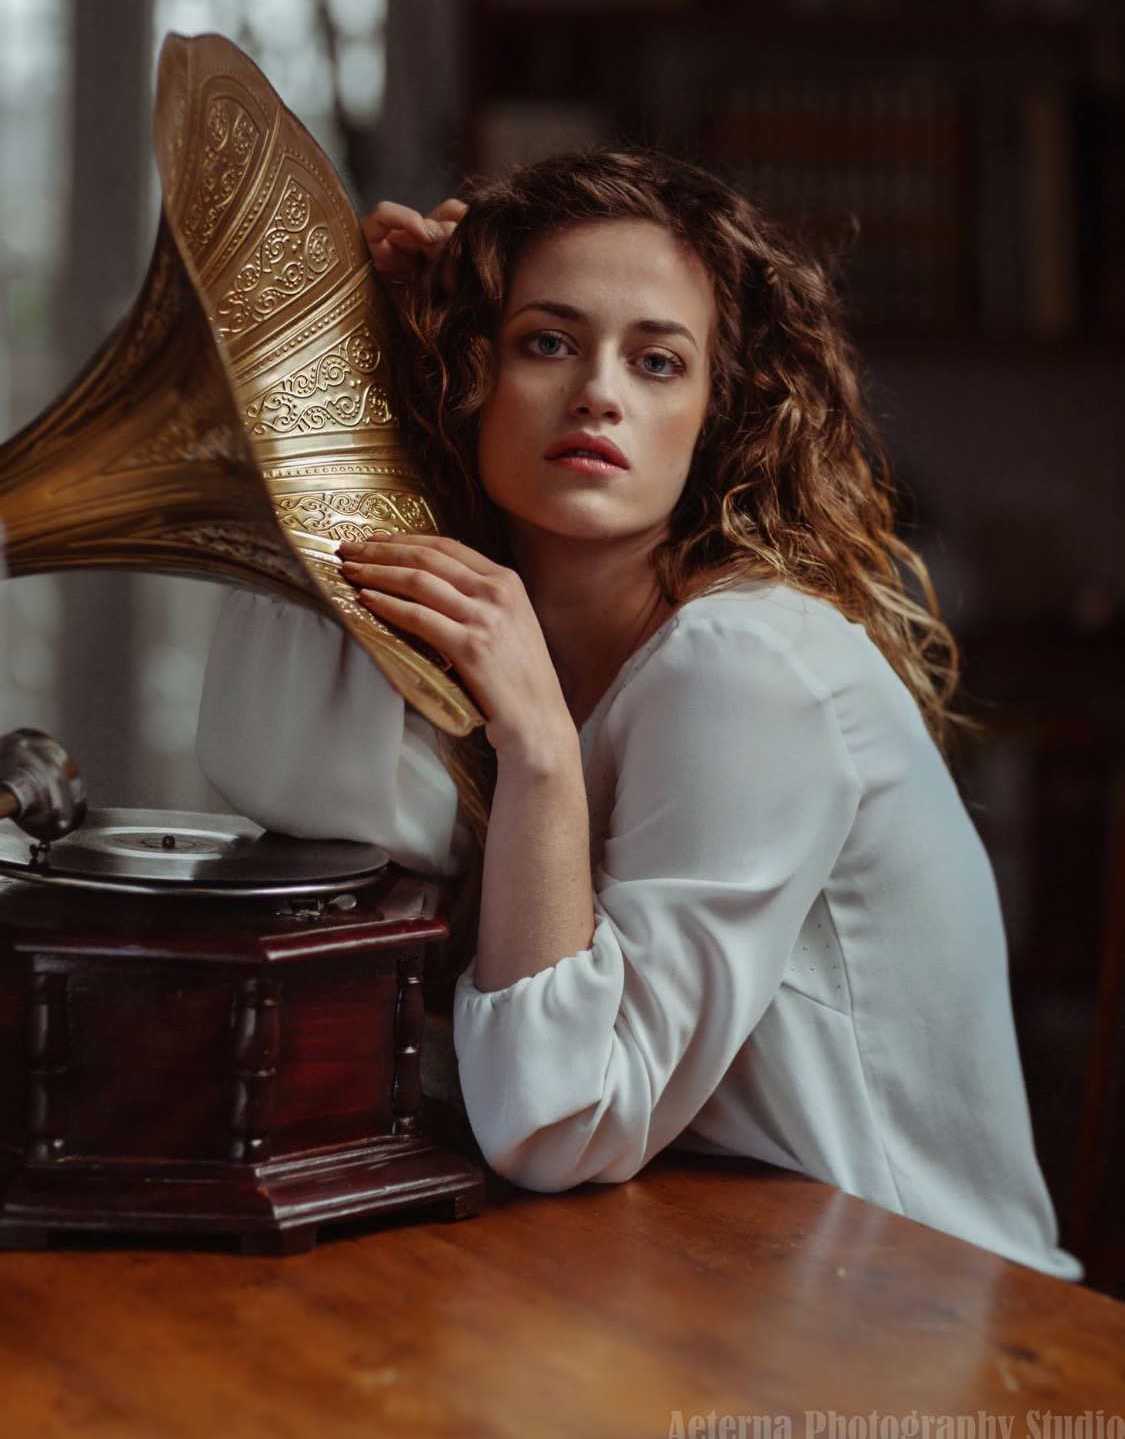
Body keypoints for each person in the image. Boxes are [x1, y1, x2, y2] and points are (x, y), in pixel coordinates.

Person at [197, 149, 1079, 1279]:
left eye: (657, 360)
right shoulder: (534, 647)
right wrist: (352, 365)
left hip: (924, 1330)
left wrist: (543, 759)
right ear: (469, 376)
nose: (599, 392)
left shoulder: (744, 664)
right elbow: (298, 781)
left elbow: (556, 1122)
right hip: (707, 1274)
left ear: (716, 415)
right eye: (547, 341)